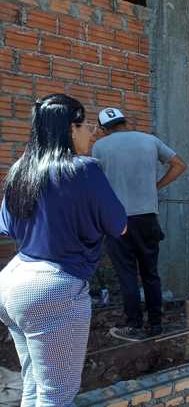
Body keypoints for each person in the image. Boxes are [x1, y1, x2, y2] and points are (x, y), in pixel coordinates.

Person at [0, 94, 127, 407]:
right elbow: (119, 225)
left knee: (33, 387)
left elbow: (7, 226)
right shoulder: (84, 169)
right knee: (56, 397)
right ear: (71, 129)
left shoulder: (21, 169)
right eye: (86, 128)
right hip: (53, 289)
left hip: (13, 281)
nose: (91, 135)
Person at [92, 107, 187, 341]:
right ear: (125, 122)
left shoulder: (100, 147)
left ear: (104, 129)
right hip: (147, 218)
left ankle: (134, 325)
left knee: (127, 275)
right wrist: (156, 186)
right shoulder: (149, 140)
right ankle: (156, 324)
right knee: (150, 273)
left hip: (117, 220)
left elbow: (95, 184)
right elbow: (179, 165)